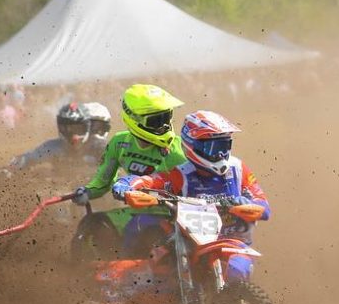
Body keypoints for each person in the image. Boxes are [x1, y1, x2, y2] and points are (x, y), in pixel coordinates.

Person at [111, 110, 270, 279]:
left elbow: (264, 206)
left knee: (236, 271)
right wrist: (126, 184)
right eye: (214, 148)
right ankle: (122, 277)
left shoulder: (238, 170)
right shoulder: (182, 174)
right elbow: (152, 181)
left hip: (232, 243)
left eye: (225, 146)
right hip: (189, 242)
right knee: (141, 223)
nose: (221, 154)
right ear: (193, 145)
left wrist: (248, 204)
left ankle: (236, 296)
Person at [69, 84, 186, 257]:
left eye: (166, 117)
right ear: (134, 119)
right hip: (135, 211)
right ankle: (86, 270)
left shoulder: (181, 149)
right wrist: (87, 191)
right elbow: (103, 181)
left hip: (172, 215)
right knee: (92, 224)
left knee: (143, 228)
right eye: (156, 120)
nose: (164, 125)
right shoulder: (119, 143)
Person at [8, 102, 111, 170]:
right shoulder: (54, 147)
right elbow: (28, 158)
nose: (74, 135)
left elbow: (115, 172)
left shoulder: (100, 147)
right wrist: (9, 168)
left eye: (78, 129)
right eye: (67, 129)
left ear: (87, 127)